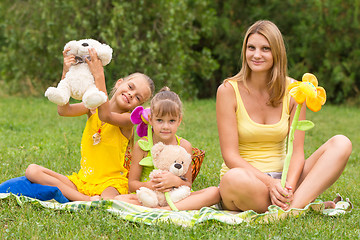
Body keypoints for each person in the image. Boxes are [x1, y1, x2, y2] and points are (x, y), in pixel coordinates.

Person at [216, 20, 352, 213]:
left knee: (342, 143)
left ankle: (290, 208)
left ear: (277, 53)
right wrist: (270, 184)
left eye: (265, 49)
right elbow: (230, 156)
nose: (256, 55)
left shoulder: (296, 91)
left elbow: (297, 152)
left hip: (286, 179)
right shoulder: (228, 90)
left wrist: (287, 186)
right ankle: (298, 204)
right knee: (233, 178)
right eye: (251, 48)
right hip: (249, 181)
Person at [25, 47, 155, 201]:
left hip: (110, 183)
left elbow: (105, 115)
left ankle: (83, 199)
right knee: (32, 171)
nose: (131, 94)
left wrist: (98, 74)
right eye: (130, 87)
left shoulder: (127, 120)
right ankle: (86, 199)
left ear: (137, 106)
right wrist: (66, 72)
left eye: (138, 98)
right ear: (120, 83)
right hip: (84, 180)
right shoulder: (92, 106)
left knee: (109, 200)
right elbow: (63, 110)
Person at [114, 87, 220, 210]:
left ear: (179, 121)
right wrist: (150, 185)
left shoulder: (184, 146)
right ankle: (168, 208)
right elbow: (132, 185)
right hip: (149, 196)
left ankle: (165, 210)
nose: (165, 126)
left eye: (171, 121)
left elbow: (188, 184)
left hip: (176, 196)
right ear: (151, 120)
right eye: (159, 120)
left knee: (214, 192)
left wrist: (176, 181)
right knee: (119, 200)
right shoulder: (142, 145)